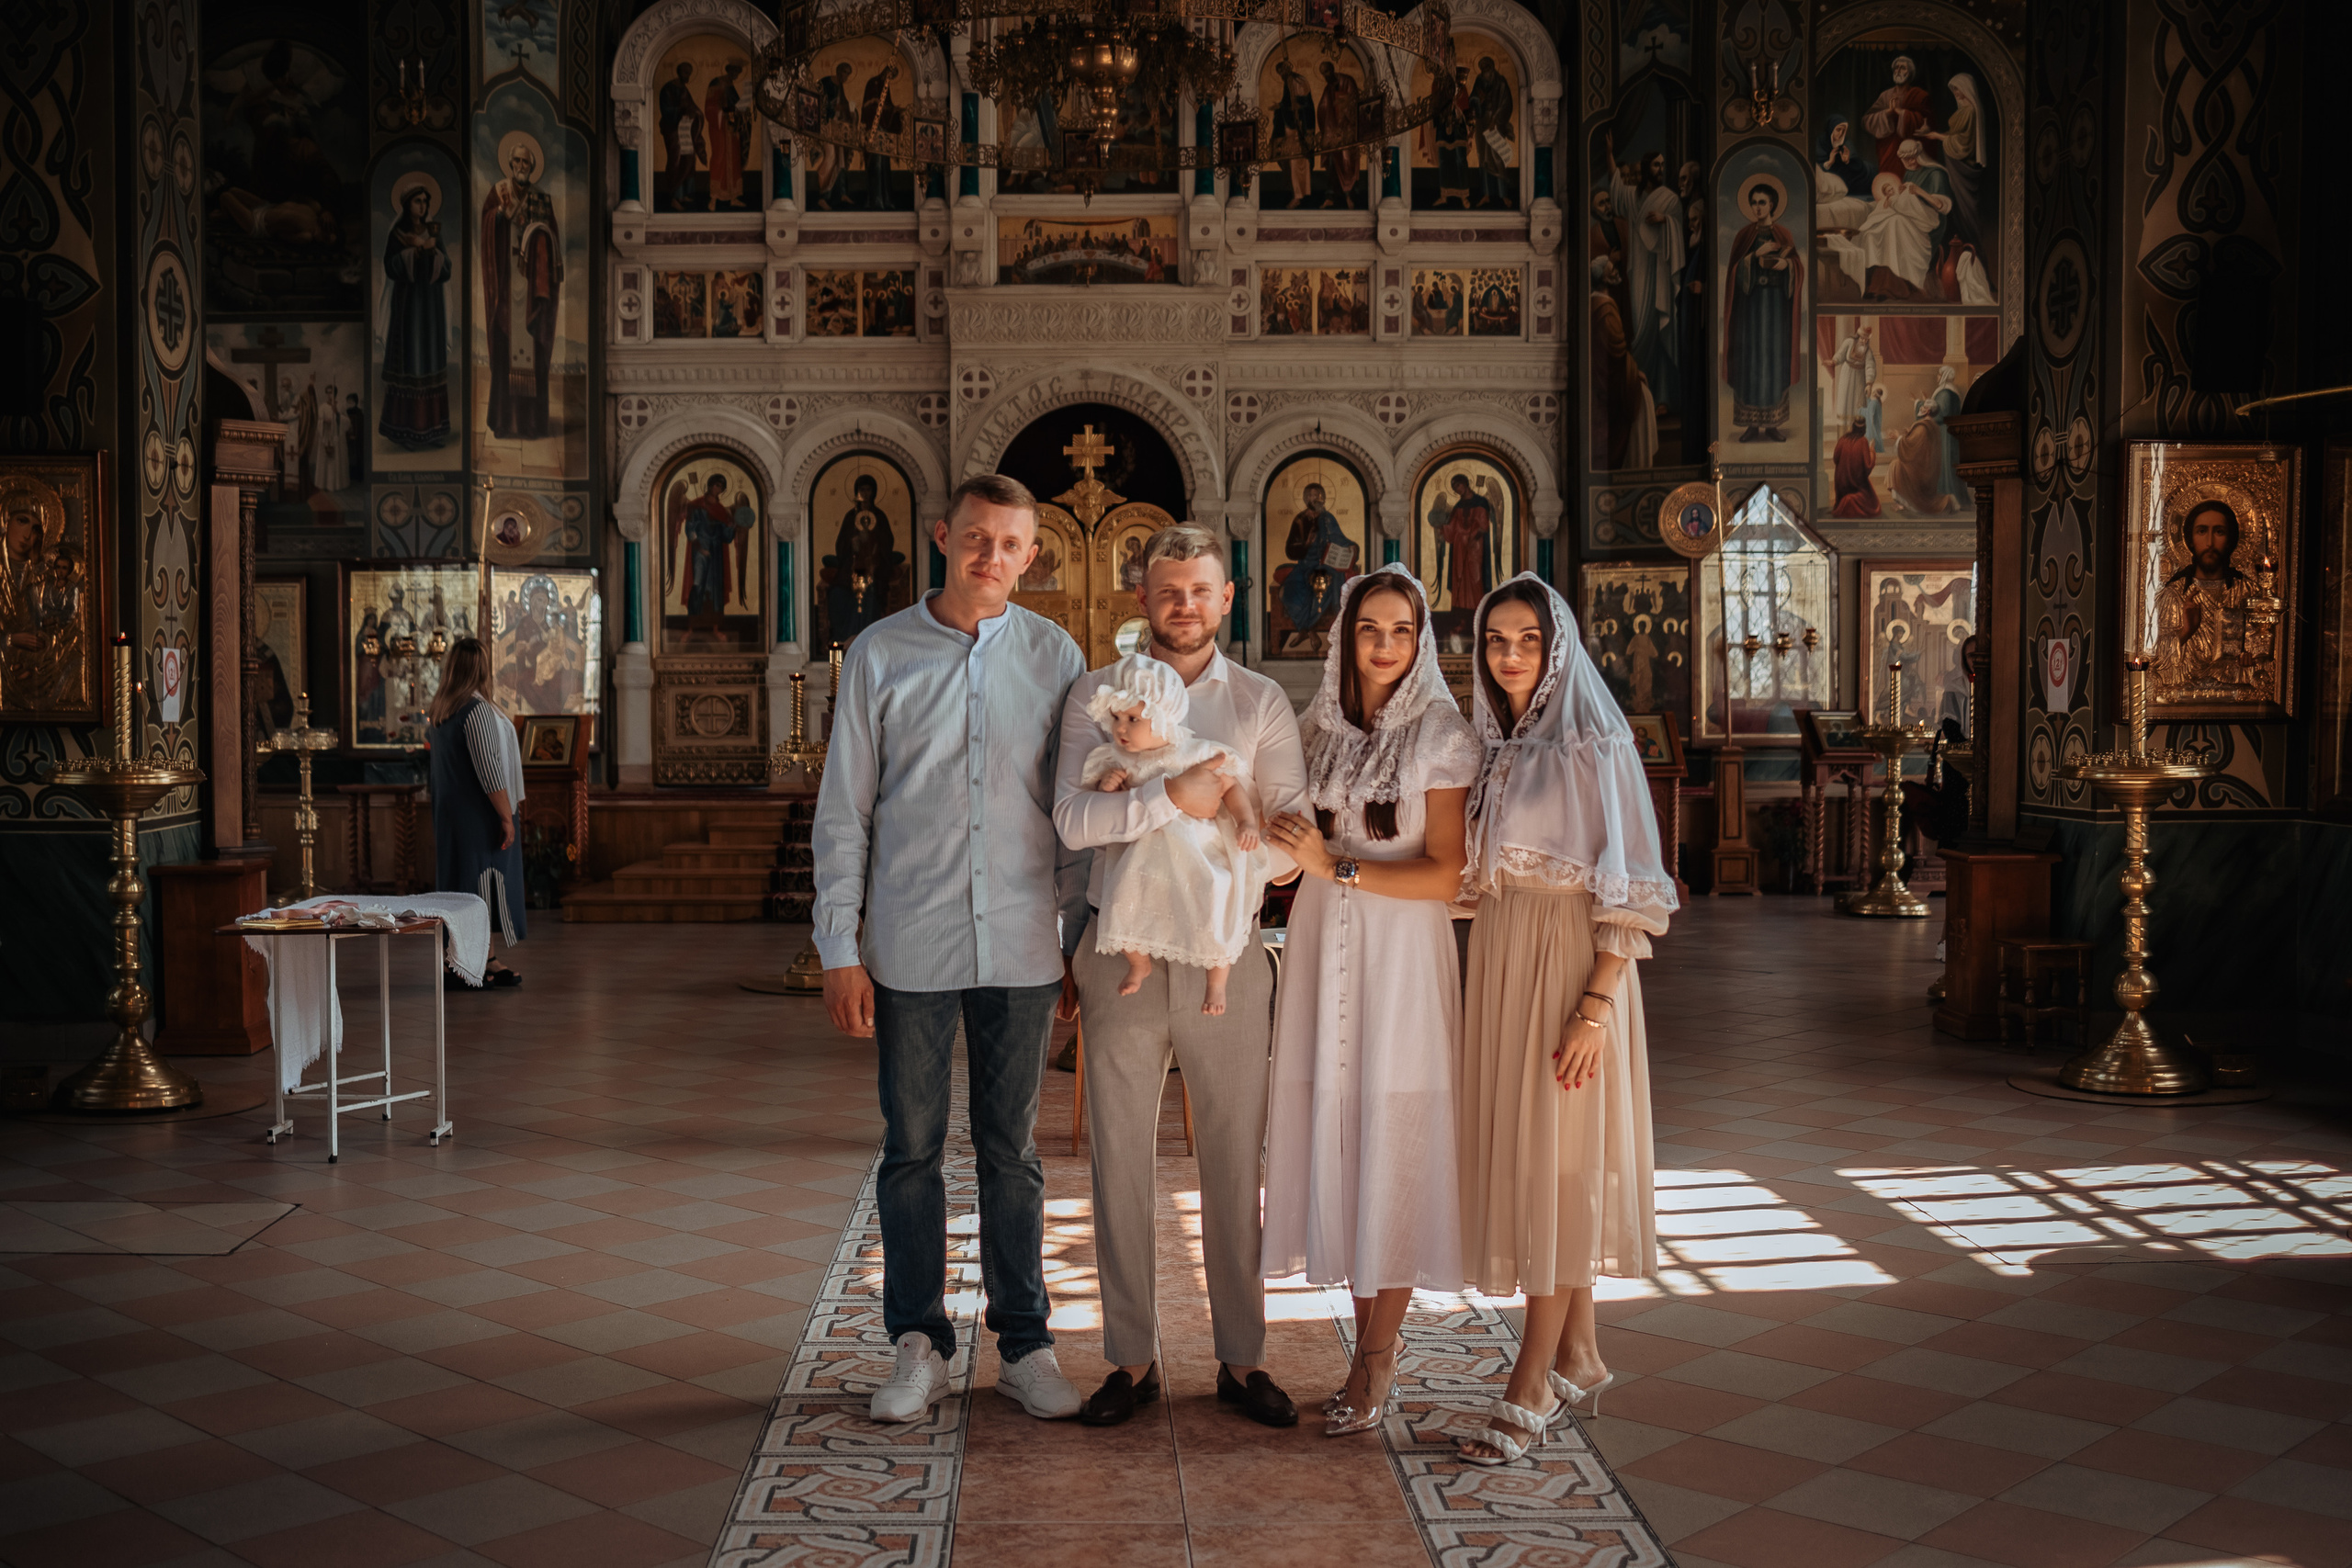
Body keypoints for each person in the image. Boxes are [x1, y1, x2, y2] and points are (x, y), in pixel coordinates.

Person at [811, 472, 1089, 1427]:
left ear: (1032, 552)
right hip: (911, 942)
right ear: (941, 536)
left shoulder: (1057, 657)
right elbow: (843, 810)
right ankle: (918, 1344)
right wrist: (837, 946)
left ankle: (1025, 1344)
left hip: (1021, 942)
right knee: (912, 1149)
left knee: (1012, 1152)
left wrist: (1077, 941)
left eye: (1010, 544)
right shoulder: (882, 655)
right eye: (976, 538)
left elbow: (1075, 814)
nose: (991, 558)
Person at [1051, 524, 1310, 1430]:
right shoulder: (1095, 692)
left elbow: (1287, 834)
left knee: (1236, 1156)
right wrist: (1172, 800)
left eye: (1201, 590)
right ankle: (1130, 1359)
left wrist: (1230, 857)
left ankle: (1242, 1358)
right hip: (1118, 947)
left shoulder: (1259, 701)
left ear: (1228, 596)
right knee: (1118, 1155)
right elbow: (1071, 822)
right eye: (1167, 591)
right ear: (1142, 597)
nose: (1184, 605)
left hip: (1225, 957)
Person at [1454, 575, 1677, 1465]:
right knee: (1540, 1156)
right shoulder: (1489, 745)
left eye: (1527, 641)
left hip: (1569, 966)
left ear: (1557, 652)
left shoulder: (1595, 742)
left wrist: (1594, 1007)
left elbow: (1634, 881)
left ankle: (1529, 1384)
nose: (1510, 656)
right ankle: (1580, 1351)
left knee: (1556, 1165)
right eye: (1495, 641)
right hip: (1502, 955)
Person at [1259, 566, 1480, 1436]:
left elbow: (1445, 871)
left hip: (1401, 948)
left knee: (1396, 1130)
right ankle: (1362, 1342)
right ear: (1344, 637)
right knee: (1343, 1131)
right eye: (1368, 629)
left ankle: (1377, 1352)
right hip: (1321, 939)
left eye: (1400, 630)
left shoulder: (1441, 735)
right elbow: (1281, 833)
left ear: (1422, 641)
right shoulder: (1314, 727)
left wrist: (1336, 866)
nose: (1384, 645)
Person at [1079, 653, 1271, 1016]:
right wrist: (1111, 789)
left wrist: (1246, 822)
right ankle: (1139, 963)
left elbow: (1229, 786)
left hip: (1198, 849)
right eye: (1116, 718)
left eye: (1133, 719)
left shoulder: (1191, 752)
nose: (1121, 728)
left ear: (1164, 716)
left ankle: (1217, 981)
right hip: (1146, 855)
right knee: (1120, 899)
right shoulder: (1119, 760)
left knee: (1217, 897)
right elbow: (1115, 813)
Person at [425, 637, 526, 987]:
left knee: (464, 886)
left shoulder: (441, 711)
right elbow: (489, 767)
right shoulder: (476, 710)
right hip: (477, 816)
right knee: (479, 888)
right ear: (482, 669)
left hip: (451, 814)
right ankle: (464, 964)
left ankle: (483, 959)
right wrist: (505, 816)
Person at [481, 138, 562, 442]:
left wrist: (540, 236)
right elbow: (486, 224)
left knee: (532, 352)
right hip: (507, 287)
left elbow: (553, 239)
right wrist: (499, 217)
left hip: (531, 287)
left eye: (525, 163)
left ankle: (530, 425)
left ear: (532, 167)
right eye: (516, 161)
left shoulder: (541, 200)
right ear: (510, 164)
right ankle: (504, 423)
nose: (520, 167)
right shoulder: (498, 193)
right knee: (506, 354)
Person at [1603, 136, 1684, 404]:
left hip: (1661, 270)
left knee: (1660, 328)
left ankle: (1660, 396)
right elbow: (1615, 186)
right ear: (1648, 167)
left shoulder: (1670, 199)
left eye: (1663, 166)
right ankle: (1637, 391)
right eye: (1656, 166)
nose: (1660, 170)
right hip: (1638, 268)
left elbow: (1678, 230)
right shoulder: (1633, 196)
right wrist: (1610, 153)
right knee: (1640, 327)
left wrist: (1666, 221)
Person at [1723, 183, 1803, 442]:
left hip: (1777, 310)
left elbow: (1798, 268)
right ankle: (1750, 425)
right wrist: (1754, 256)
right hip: (1751, 310)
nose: (1757, 207)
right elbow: (1733, 274)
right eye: (1754, 202)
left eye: (1762, 202)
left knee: (1774, 362)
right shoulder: (1744, 236)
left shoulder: (1783, 234)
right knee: (1751, 363)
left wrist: (1786, 265)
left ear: (1772, 206)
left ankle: (1772, 425)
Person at [379, 177, 452, 451]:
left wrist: (434, 253)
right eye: (417, 201)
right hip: (408, 307)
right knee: (410, 362)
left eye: (425, 202)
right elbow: (390, 266)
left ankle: (432, 431)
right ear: (407, 204)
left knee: (430, 363)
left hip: (431, 309)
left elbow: (447, 270)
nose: (421, 206)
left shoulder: (435, 233)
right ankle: (405, 431)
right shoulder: (397, 234)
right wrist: (412, 252)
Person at [1831, 417, 1883, 517]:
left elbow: (1835, 459)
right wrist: (1871, 449)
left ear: (1853, 427)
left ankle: (1844, 502)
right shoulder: (1863, 441)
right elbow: (1868, 466)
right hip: (1857, 485)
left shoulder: (1843, 439)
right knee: (1874, 506)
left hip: (1841, 485)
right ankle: (1850, 501)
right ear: (1864, 429)